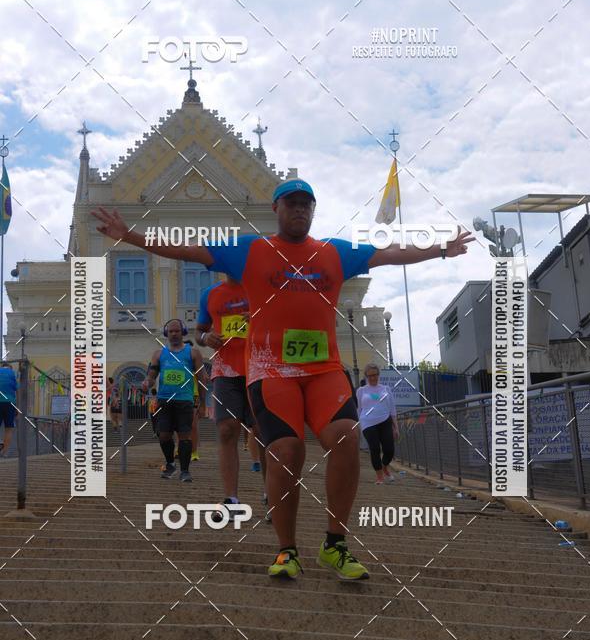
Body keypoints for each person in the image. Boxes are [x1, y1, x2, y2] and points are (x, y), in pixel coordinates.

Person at [93, 181, 473, 578]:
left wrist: (441, 249)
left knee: (344, 436)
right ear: (277, 208)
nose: (300, 211)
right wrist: (129, 235)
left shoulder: (333, 252)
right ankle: (286, 549)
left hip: (324, 370)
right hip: (271, 371)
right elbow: (184, 248)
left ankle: (335, 544)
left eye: (307, 205)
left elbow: (391, 254)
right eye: (292, 204)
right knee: (287, 451)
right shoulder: (251, 250)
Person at [196, 277, 267, 518]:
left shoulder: (261, 287)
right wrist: (206, 339)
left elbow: (283, 319)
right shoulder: (210, 293)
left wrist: (259, 318)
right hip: (224, 370)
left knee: (261, 430)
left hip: (259, 366)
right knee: (227, 429)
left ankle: (272, 493)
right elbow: (200, 332)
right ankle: (231, 499)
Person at [142, 318, 207, 482]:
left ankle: (185, 471)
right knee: (163, 435)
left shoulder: (193, 353)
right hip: (164, 401)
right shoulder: (159, 354)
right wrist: (146, 383)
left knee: (185, 436)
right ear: (166, 333)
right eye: (171, 331)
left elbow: (202, 378)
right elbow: (151, 376)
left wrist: (203, 403)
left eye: (177, 331)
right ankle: (170, 463)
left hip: (184, 400)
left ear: (183, 332)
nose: (174, 334)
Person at [357, 363, 398, 484]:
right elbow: (360, 409)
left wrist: (395, 427)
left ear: (378, 375)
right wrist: (359, 425)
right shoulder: (361, 391)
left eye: (375, 375)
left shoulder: (386, 389)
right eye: (369, 376)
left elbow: (392, 408)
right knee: (374, 448)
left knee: (389, 449)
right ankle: (379, 476)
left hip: (385, 420)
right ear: (366, 376)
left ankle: (385, 466)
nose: (372, 378)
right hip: (368, 423)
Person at [0, 362, 17, 457]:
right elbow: (17, 390)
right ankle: (4, 453)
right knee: (9, 429)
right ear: (10, 367)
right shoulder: (12, 373)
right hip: (10, 402)